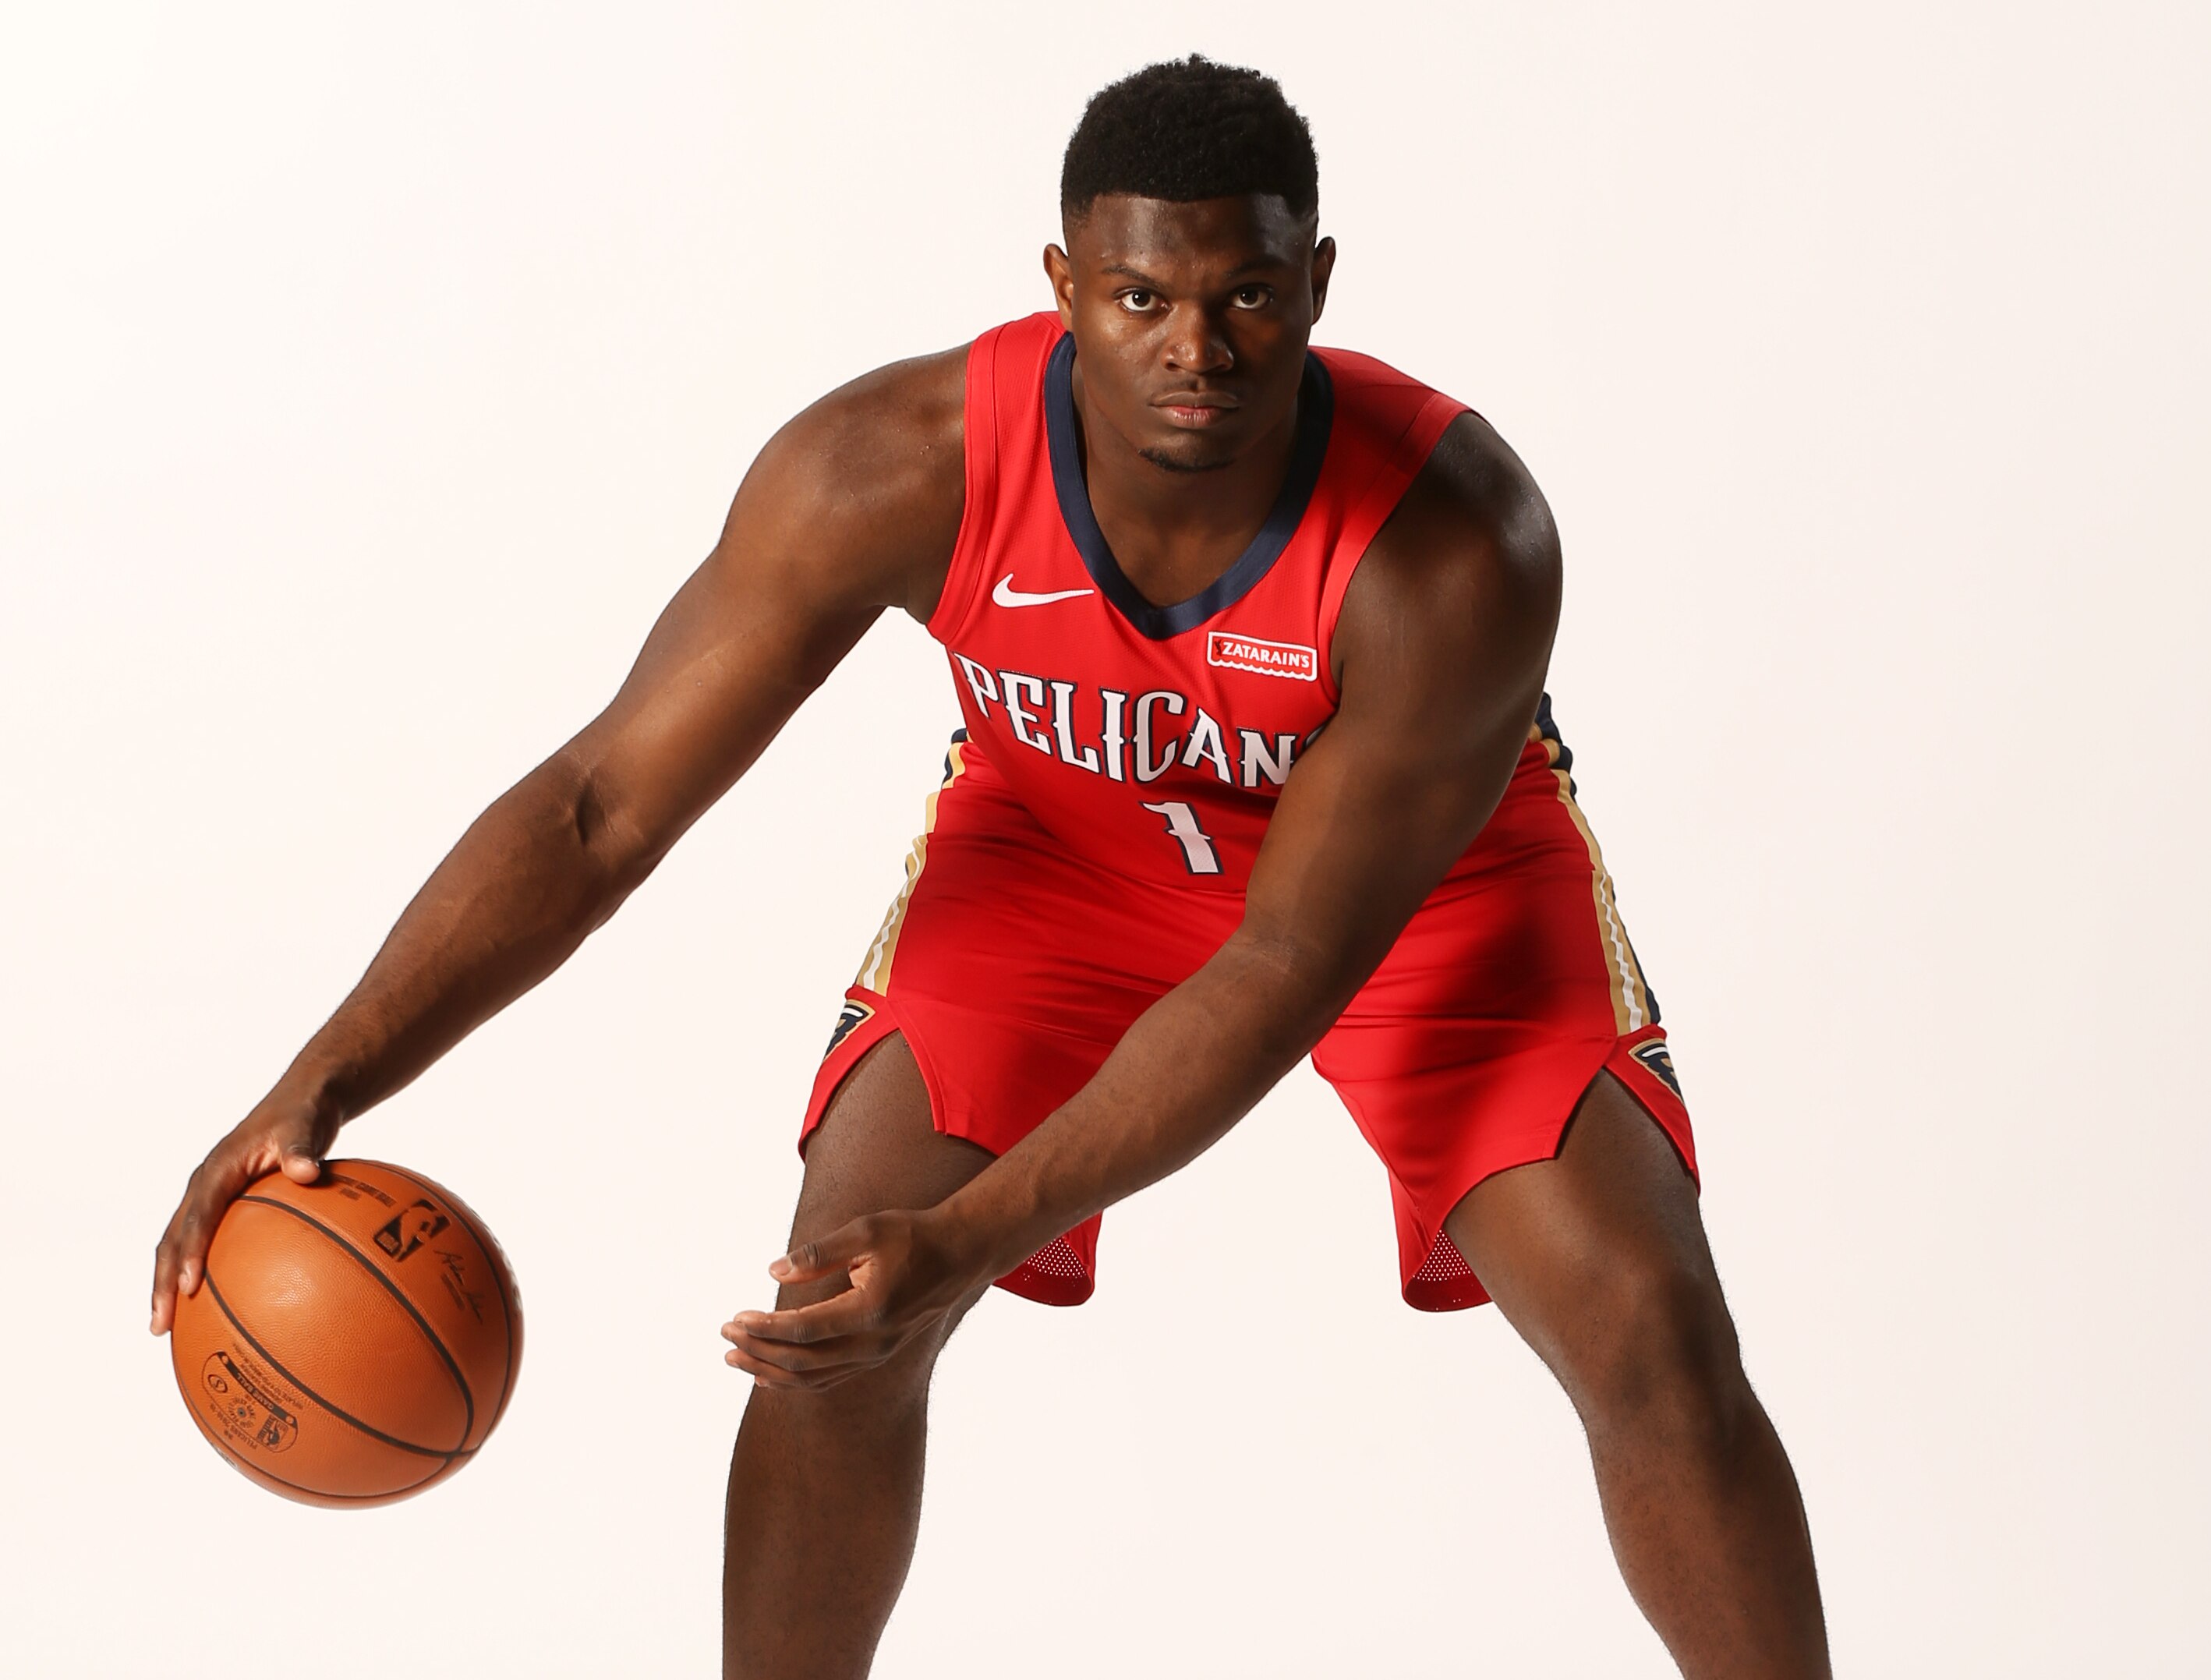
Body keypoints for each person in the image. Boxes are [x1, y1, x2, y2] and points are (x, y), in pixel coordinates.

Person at [150, 55, 1828, 1679]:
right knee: (834, 1308)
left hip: (1418, 891)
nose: (1194, 349)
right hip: (1054, 854)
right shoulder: (892, 467)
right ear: (1063, 284)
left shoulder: (1453, 541)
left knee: (1650, 1331)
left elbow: (1279, 968)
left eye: (1246, 296)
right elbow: (601, 805)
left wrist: (970, 1238)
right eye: (1141, 297)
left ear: (1315, 285)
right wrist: (323, 1081)